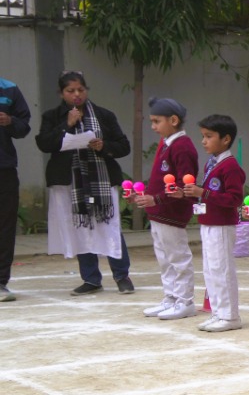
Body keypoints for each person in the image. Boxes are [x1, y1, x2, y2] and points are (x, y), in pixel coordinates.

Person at [35, 71, 133, 295]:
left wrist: (104, 146)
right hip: (69, 181)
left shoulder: (104, 115)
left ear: (86, 90)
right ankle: (91, 279)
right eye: (70, 91)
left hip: (102, 179)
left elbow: (123, 146)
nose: (76, 94)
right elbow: (45, 144)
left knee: (109, 226)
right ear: (61, 93)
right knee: (80, 227)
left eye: (80, 90)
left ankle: (122, 276)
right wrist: (66, 125)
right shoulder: (52, 116)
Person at [132, 98, 199, 321]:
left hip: (172, 212)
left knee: (177, 257)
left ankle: (185, 301)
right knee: (164, 258)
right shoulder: (167, 142)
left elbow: (184, 183)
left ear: (173, 120)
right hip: (160, 212)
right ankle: (171, 297)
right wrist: (144, 196)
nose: (153, 126)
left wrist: (156, 199)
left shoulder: (182, 146)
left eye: (156, 121)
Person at [186, 113, 245, 332]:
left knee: (222, 269)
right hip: (209, 222)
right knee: (210, 270)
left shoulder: (230, 166)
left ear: (226, 139)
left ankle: (230, 316)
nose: (203, 141)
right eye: (203, 136)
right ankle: (218, 312)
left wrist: (204, 193)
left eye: (209, 136)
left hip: (221, 225)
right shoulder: (212, 163)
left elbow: (234, 199)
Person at [0, 74, 31, 301]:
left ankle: (0, 282)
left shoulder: (9, 89)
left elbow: (24, 127)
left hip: (4, 168)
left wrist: (10, 121)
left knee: (5, 226)